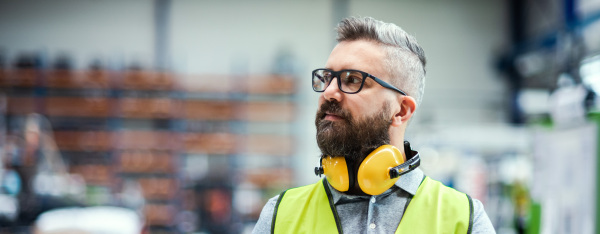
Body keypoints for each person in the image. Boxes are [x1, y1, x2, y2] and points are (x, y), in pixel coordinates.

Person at [253, 16, 495, 233]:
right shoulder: (279, 217)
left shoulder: (464, 221)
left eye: (352, 80)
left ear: (401, 110)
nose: (329, 92)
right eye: (327, 78)